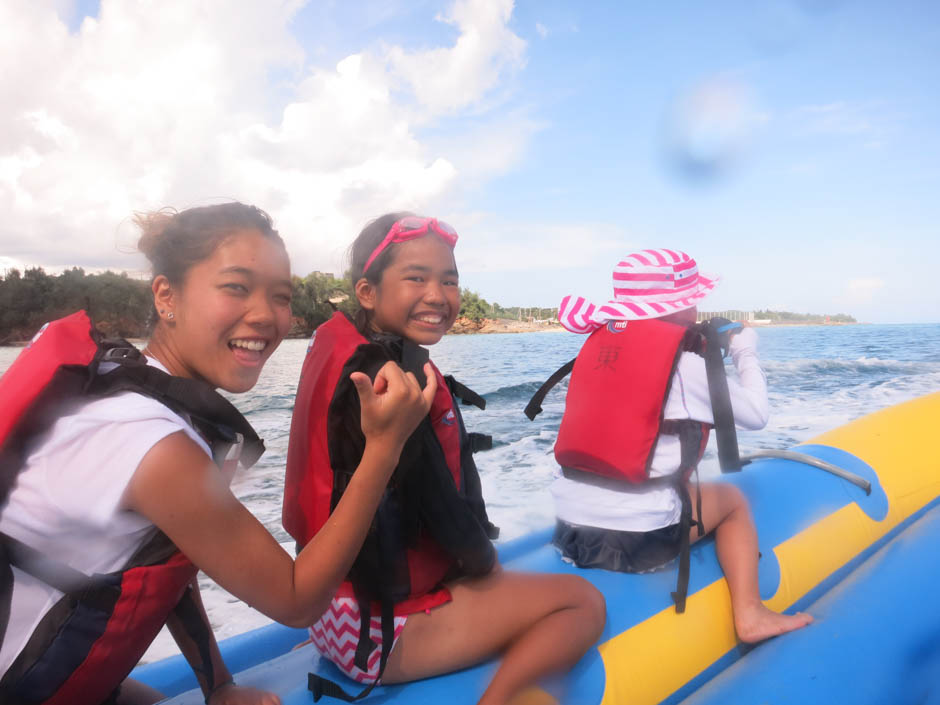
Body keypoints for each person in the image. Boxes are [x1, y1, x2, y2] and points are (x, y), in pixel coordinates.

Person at [0, 203, 436, 705]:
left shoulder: (135, 392)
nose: (266, 316)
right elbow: (297, 601)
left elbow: (162, 564)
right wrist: (384, 448)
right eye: (236, 287)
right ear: (167, 295)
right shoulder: (147, 440)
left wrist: (218, 685)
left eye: (281, 297)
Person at [283, 213, 606, 705]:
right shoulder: (395, 384)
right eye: (416, 277)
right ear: (367, 291)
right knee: (583, 603)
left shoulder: (339, 344)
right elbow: (446, 513)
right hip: (380, 634)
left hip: (325, 610)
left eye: (449, 280)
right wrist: (487, 565)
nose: (438, 294)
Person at [546, 248, 812, 643]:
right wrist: (744, 350)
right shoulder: (687, 366)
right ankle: (751, 614)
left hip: (571, 530)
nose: (697, 310)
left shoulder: (599, 344)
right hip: (640, 541)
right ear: (679, 306)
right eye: (692, 302)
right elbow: (756, 414)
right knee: (735, 501)